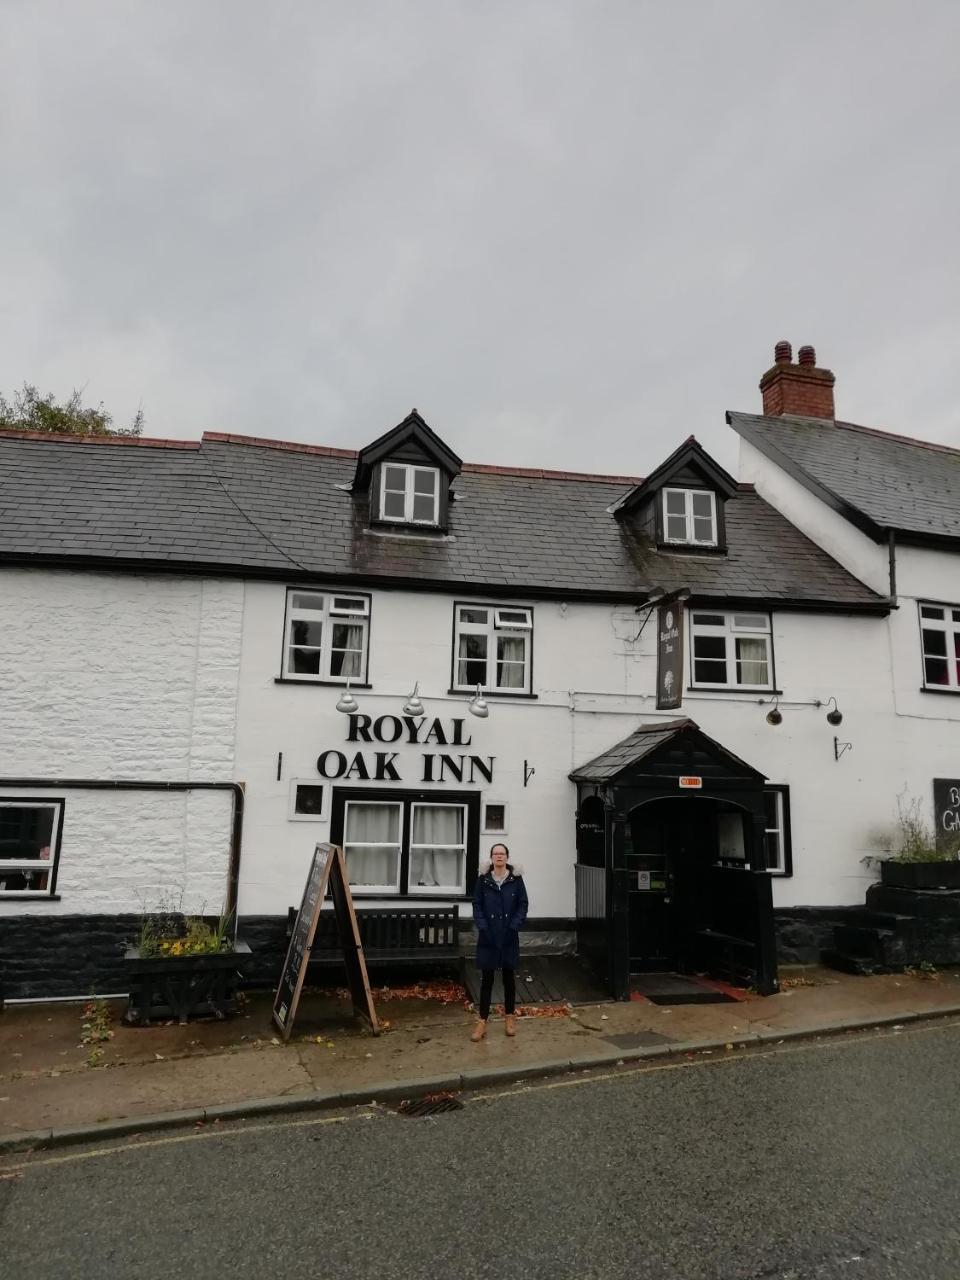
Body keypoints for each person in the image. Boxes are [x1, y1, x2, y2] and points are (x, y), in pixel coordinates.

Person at [470, 842, 528, 1041]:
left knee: (509, 979)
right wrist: (483, 926)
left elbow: (523, 904)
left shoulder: (516, 880)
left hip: (509, 936)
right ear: (491, 857)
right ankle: (482, 1022)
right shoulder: (483, 880)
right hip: (489, 936)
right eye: (495, 854)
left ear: (507, 857)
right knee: (487, 980)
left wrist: (514, 926)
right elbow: (476, 904)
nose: (499, 857)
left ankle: (510, 1018)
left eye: (502, 854)